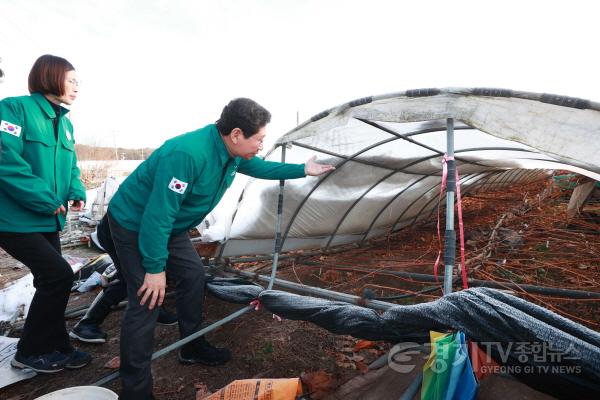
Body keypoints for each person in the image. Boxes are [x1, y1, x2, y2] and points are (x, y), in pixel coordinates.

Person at [101, 97, 334, 399]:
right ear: (236, 134)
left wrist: (303, 169)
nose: (261, 145)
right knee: (147, 298)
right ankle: (136, 391)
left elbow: (259, 166)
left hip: (171, 225)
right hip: (135, 224)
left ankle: (192, 345)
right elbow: (157, 215)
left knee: (194, 276)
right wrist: (155, 268)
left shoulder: (229, 151)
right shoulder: (187, 154)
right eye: (259, 138)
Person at [0, 54, 91, 373]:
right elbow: (5, 159)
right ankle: (29, 351)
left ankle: (56, 344)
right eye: (72, 80)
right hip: (13, 219)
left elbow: (73, 166)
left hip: (48, 219)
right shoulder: (13, 109)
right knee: (58, 275)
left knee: (52, 279)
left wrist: (76, 191)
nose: (78, 87)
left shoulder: (65, 124)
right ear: (50, 77)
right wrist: (44, 197)